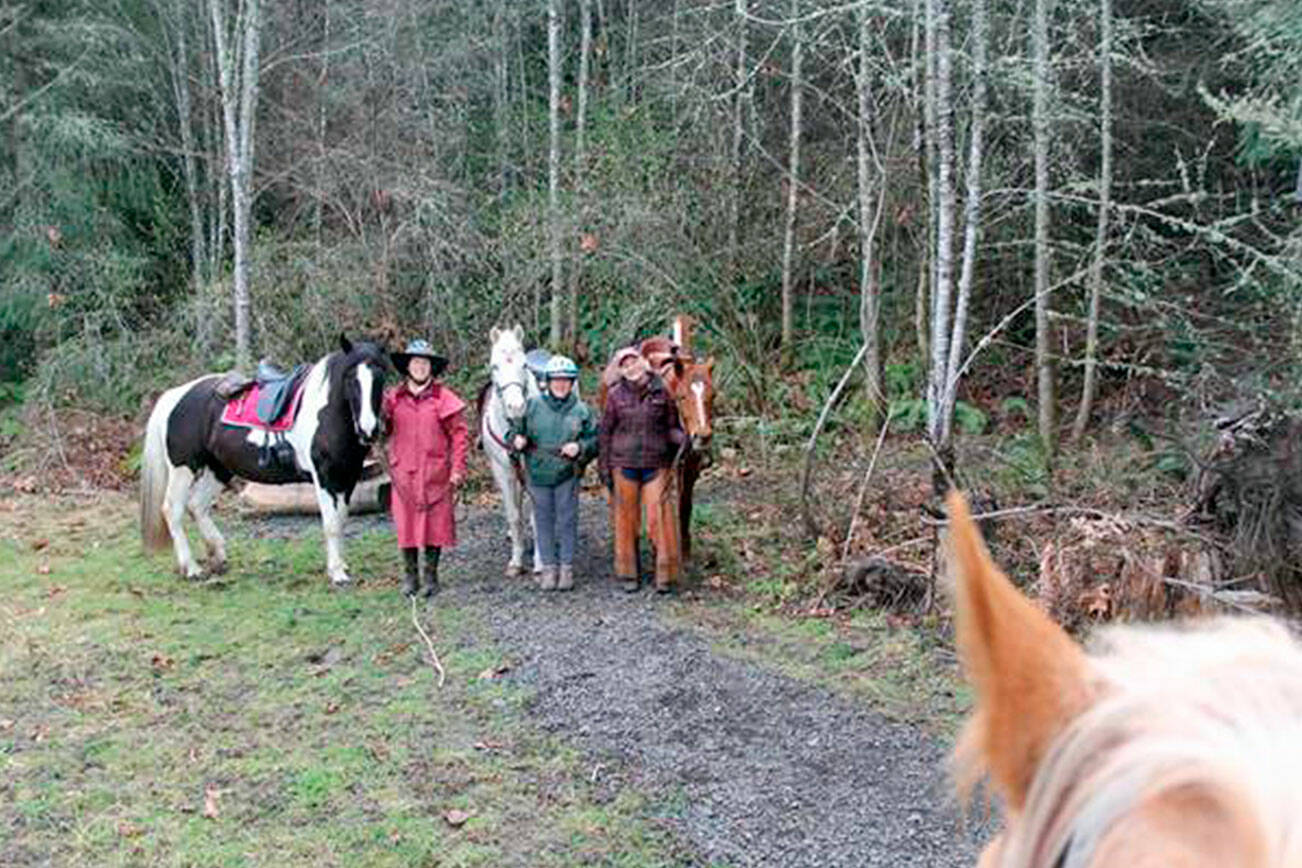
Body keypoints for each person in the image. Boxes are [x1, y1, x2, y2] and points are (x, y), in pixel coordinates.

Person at [382, 339, 468, 598]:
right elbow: (380, 427)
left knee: (435, 525)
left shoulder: (444, 398)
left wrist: (458, 470)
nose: (420, 367)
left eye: (425, 362)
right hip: (403, 473)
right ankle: (410, 576)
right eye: (416, 362)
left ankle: (431, 576)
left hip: (436, 473)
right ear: (408, 366)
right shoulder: (393, 398)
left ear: (432, 367)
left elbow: (459, 436)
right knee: (406, 525)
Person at [598, 346, 687, 594]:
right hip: (623, 464)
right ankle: (628, 572)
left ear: (643, 363)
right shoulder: (615, 396)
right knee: (626, 520)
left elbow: (671, 426)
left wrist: (682, 438)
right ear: (621, 371)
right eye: (625, 365)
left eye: (634, 362)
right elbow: (605, 433)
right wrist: (604, 470)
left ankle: (665, 574)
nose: (631, 368)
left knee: (659, 520)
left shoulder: (663, 391)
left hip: (656, 464)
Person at [508, 355, 599, 591]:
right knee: (543, 520)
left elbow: (594, 439)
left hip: (567, 472)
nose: (560, 385)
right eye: (556, 380)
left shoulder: (581, 410)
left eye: (566, 381)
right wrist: (516, 440)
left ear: (572, 383)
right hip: (538, 472)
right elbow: (513, 432)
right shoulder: (533, 406)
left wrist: (580, 447)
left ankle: (566, 567)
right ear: (547, 382)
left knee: (568, 520)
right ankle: (548, 567)